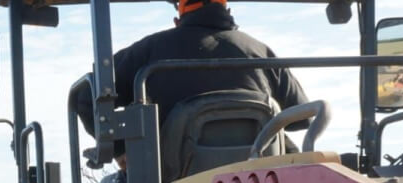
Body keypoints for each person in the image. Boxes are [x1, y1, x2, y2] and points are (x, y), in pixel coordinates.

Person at [74, 0, 308, 155]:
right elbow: (302, 117)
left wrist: (122, 149)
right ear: (226, 11)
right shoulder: (260, 53)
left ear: (178, 20)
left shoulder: (149, 51)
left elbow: (84, 98)